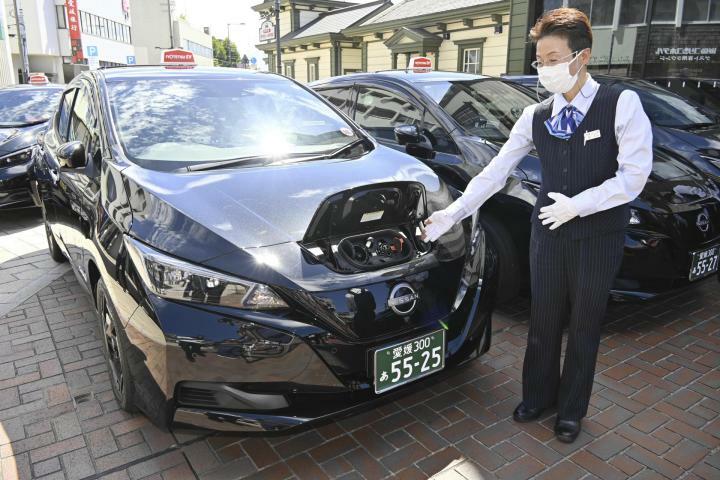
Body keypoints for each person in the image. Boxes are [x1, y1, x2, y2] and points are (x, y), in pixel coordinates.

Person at [422, 7, 653, 443]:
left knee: (584, 322)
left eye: (553, 59)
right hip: (547, 231)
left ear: (581, 57)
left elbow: (634, 175)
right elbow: (495, 171)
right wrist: (452, 213)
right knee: (543, 318)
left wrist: (580, 205)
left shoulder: (620, 103)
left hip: (597, 235)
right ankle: (537, 396)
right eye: (540, 61)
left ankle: (571, 410)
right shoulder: (536, 115)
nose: (545, 69)